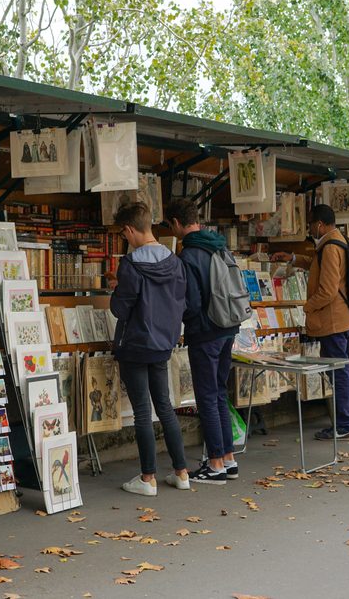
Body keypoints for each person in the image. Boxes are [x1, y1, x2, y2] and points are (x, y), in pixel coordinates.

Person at [108, 202, 190, 496]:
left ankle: (148, 478)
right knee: (165, 407)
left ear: (130, 229)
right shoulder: (175, 261)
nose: (125, 239)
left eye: (124, 233)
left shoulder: (130, 265)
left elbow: (121, 309)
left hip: (135, 345)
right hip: (163, 344)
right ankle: (182, 472)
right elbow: (182, 301)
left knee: (143, 412)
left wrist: (117, 289)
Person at [167, 197, 240, 485]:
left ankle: (215, 464)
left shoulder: (189, 255)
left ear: (175, 223)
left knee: (207, 397)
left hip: (206, 331)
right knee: (220, 393)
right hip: (228, 326)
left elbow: (193, 303)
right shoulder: (219, 245)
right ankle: (228, 459)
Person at [272, 204, 349, 440]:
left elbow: (328, 290)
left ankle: (343, 425)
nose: (310, 230)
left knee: (338, 372)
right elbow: (318, 267)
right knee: (343, 371)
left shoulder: (330, 247)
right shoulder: (337, 241)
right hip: (340, 320)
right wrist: (294, 258)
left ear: (319, 224)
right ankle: (347, 422)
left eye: (310, 225)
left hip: (332, 322)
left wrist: (307, 308)